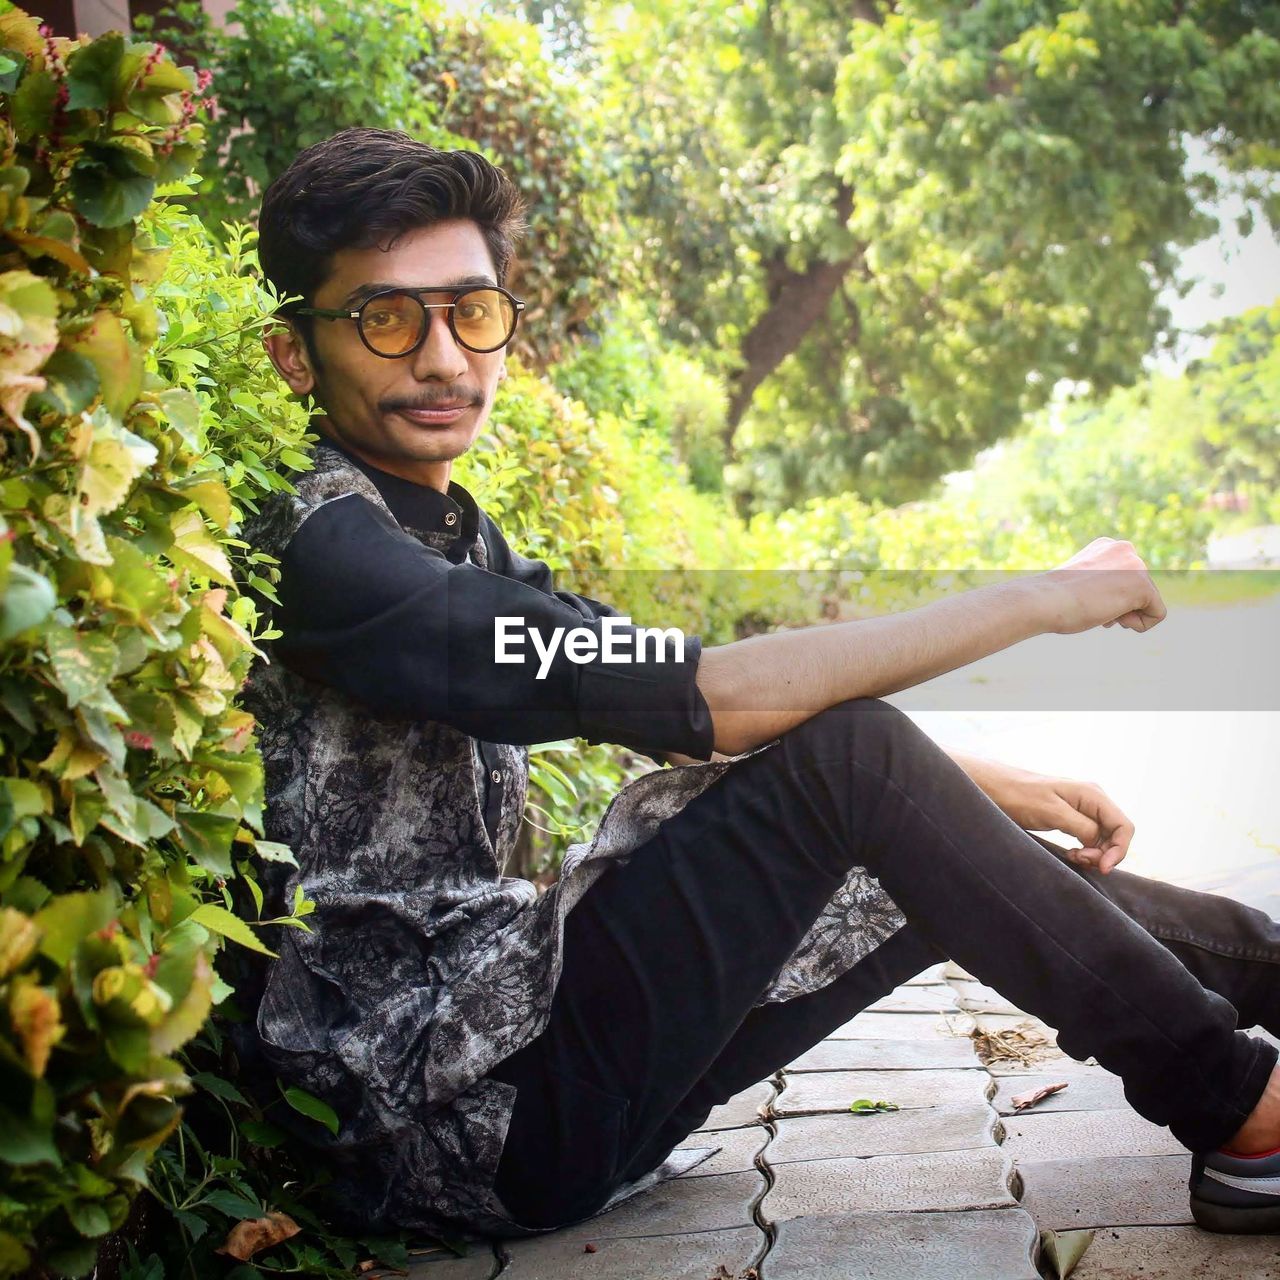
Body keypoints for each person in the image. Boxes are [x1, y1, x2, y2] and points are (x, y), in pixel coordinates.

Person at [230, 125, 1280, 1244]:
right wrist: (1037, 597)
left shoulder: (441, 531)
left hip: (530, 1072)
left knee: (911, 856)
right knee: (857, 761)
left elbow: (651, 686)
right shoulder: (326, 556)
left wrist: (967, 780)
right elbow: (704, 694)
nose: (442, 360)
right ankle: (1243, 1116)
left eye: (471, 312)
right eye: (386, 319)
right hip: (452, 1127)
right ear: (295, 353)